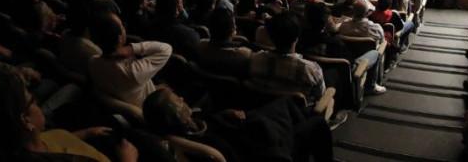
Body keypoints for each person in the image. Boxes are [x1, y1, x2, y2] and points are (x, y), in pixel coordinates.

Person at [143, 86, 334, 162]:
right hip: (266, 147)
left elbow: (214, 125)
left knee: (287, 102)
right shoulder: (207, 146)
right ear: (179, 117)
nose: (182, 98)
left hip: (249, 130)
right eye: (177, 100)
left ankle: (303, 123)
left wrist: (226, 114)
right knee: (317, 123)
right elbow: (242, 150)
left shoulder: (189, 129)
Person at [0, 71, 140, 162]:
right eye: (33, 101)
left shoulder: (33, 140)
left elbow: (54, 141)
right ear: (25, 120)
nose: (37, 104)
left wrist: (87, 133)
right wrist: (128, 159)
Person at [88, 12, 172, 108]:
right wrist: (132, 49)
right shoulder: (132, 72)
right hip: (151, 106)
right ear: (119, 38)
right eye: (122, 26)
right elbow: (166, 49)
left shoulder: (92, 63)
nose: (124, 27)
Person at [249, 11, 327, 102]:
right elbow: (320, 96)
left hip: (261, 107)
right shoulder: (311, 70)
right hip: (300, 110)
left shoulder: (255, 59)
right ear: (297, 37)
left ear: (270, 37)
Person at [195, 7, 253, 79]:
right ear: (232, 30)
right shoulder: (244, 55)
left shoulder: (200, 47)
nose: (236, 27)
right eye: (234, 24)